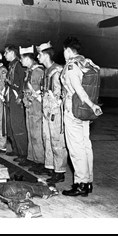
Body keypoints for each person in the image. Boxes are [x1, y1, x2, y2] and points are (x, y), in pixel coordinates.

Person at [60, 36, 102, 197]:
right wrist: (91, 107)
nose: (63, 54)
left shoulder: (71, 65)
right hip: (85, 112)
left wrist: (92, 105)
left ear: (68, 50)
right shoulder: (87, 62)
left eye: (64, 51)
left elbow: (79, 89)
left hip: (73, 110)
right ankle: (88, 181)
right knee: (85, 145)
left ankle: (80, 183)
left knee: (76, 148)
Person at [37, 41, 67, 184]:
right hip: (46, 109)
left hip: (55, 110)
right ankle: (50, 166)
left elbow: (61, 94)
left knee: (56, 141)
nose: (37, 57)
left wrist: (55, 106)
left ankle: (60, 171)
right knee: (47, 138)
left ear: (45, 55)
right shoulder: (46, 71)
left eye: (39, 55)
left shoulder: (58, 71)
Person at [20, 46, 45, 172]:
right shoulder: (29, 71)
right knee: (30, 133)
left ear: (28, 58)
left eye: (22, 58)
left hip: (36, 106)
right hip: (29, 105)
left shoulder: (38, 71)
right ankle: (32, 158)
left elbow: (42, 90)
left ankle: (40, 161)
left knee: (37, 135)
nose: (21, 61)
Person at [4, 45, 29, 165]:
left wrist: (20, 96)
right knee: (11, 126)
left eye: (6, 53)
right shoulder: (12, 66)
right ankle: (16, 149)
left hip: (16, 100)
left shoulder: (18, 65)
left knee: (18, 127)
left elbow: (23, 82)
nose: (4, 55)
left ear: (12, 53)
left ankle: (23, 153)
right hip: (10, 99)